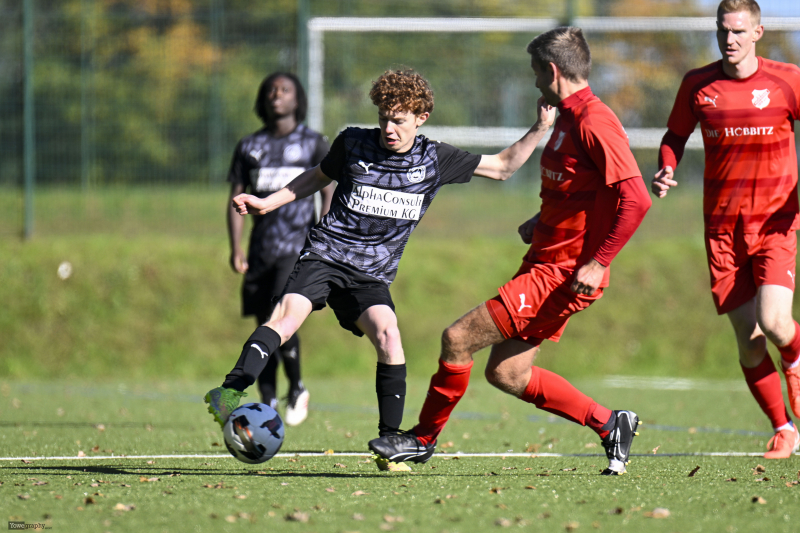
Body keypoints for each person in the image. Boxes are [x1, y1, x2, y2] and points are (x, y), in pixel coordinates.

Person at [205, 68, 557, 460]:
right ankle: (229, 392)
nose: (389, 128)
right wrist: (266, 202)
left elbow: (504, 166)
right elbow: (316, 178)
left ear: (421, 118)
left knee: (389, 335)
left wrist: (541, 126)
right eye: (384, 118)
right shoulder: (353, 142)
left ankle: (391, 443)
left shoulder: (434, 158)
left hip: (370, 275)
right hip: (326, 254)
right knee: (285, 320)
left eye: (399, 120)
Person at [369, 27, 652, 475]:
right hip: (545, 262)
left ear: (552, 71)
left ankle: (421, 440)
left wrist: (599, 263)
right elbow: (582, 191)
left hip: (561, 274)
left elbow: (636, 199)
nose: (534, 81)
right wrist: (541, 221)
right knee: (507, 373)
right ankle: (610, 423)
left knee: (458, 338)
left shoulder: (594, 121)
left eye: (536, 73)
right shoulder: (566, 119)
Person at [651, 0, 800, 459]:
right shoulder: (698, 84)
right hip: (722, 229)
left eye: (738, 31)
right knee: (749, 341)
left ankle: (794, 359)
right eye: (722, 31)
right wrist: (666, 167)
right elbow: (674, 137)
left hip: (775, 222)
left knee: (775, 324)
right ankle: (784, 429)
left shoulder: (787, 80)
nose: (729, 39)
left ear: (757, 32)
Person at [226, 72, 334, 426]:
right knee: (263, 324)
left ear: (297, 98)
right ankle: (268, 400)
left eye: (285, 90)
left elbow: (328, 190)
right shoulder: (249, 146)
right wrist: (236, 247)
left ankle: (297, 386)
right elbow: (235, 198)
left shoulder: (313, 143)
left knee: (280, 316)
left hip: (297, 247)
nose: (277, 95)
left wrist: (324, 233)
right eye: (271, 90)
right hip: (261, 249)